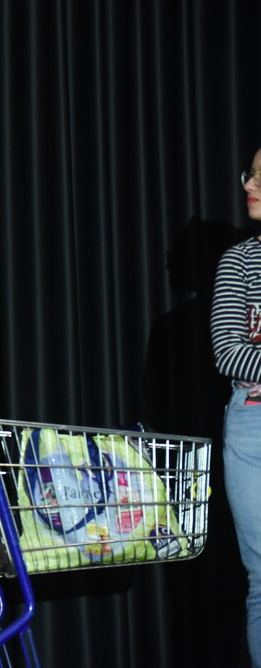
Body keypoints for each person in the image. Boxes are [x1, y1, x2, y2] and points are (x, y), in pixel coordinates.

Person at [211, 150, 261, 667]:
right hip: (253, 424)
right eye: (250, 174)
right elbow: (228, 351)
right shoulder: (240, 260)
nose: (248, 184)